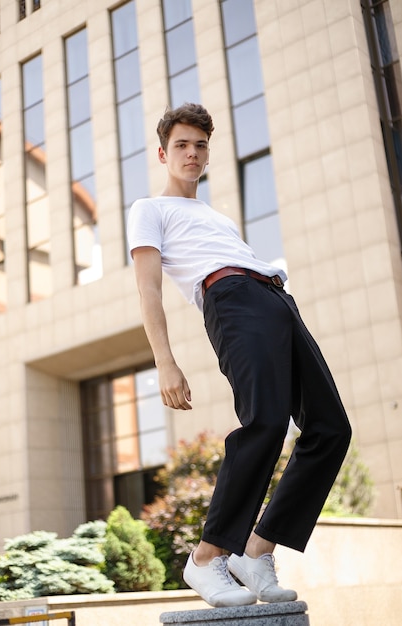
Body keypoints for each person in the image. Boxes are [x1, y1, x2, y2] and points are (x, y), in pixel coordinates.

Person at [127, 103, 352, 608]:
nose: (192, 153)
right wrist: (165, 360)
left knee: (330, 428)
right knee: (266, 422)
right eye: (182, 145)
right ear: (164, 153)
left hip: (276, 300)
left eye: (200, 145)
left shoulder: (216, 217)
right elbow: (148, 291)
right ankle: (206, 558)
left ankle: (256, 550)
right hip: (230, 299)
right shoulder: (150, 209)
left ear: (208, 154)